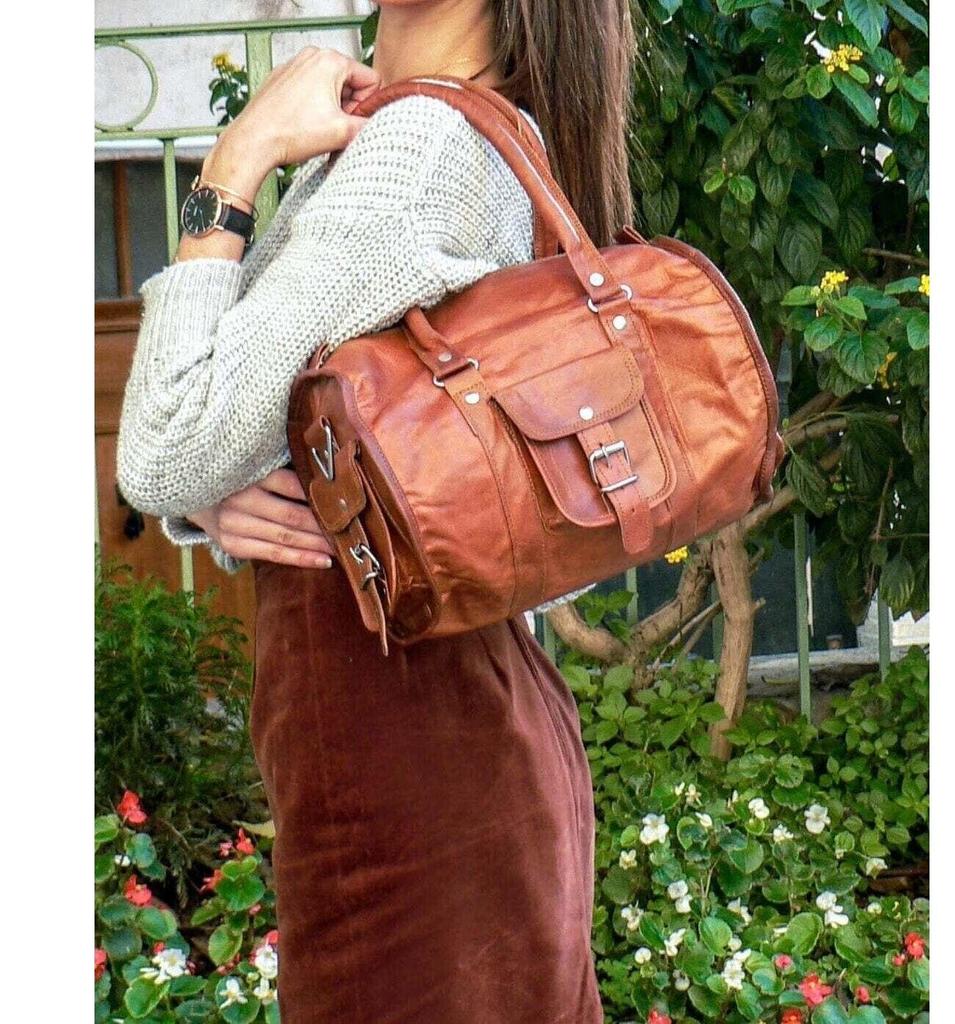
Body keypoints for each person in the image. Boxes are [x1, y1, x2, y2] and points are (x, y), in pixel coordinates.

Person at [116, 1, 636, 1019]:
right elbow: (303, 437)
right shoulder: (463, 128)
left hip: (408, 755)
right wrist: (218, 496)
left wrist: (236, 158)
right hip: (453, 735)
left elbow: (165, 444)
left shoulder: (421, 148)